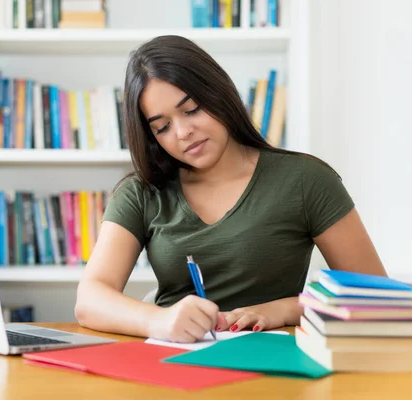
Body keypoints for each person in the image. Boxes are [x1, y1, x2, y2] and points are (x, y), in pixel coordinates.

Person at [74, 35, 387, 343]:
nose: (183, 132)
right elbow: (89, 300)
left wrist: (284, 309)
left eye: (192, 109)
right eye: (162, 127)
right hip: (171, 369)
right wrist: (161, 320)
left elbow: (377, 300)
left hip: (274, 372)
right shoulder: (142, 193)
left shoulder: (306, 180)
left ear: (219, 94)